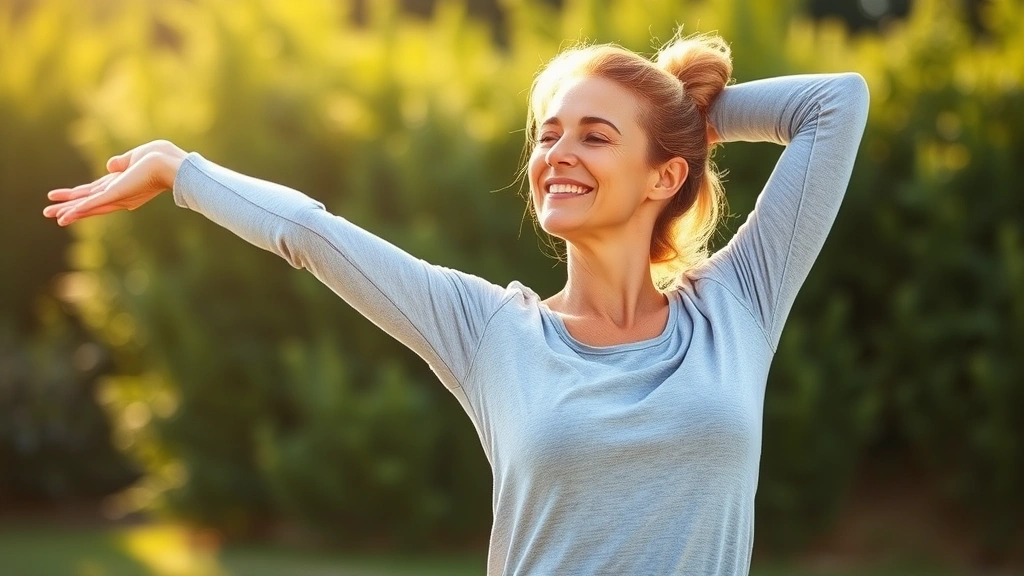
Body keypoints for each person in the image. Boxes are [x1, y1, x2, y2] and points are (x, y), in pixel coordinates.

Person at [44, 31, 869, 576]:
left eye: (595, 134)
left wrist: (689, 119)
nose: (557, 154)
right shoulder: (489, 333)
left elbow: (837, 104)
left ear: (666, 176)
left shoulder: (739, 305)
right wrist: (179, 169)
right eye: (548, 133)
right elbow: (314, 234)